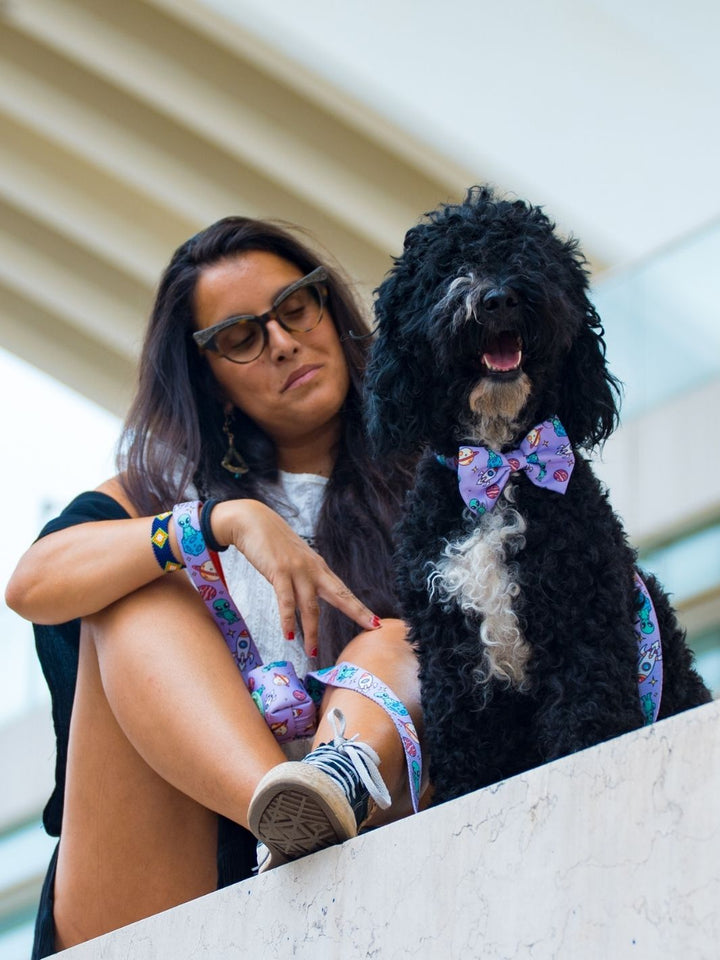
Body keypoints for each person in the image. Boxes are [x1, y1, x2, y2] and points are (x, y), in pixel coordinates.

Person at [5, 217, 424, 956]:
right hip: (160, 878)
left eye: (296, 306)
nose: (284, 341)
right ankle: (286, 810)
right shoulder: (164, 491)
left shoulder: (434, 478)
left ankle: (323, 797)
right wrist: (213, 523)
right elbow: (32, 583)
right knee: (136, 589)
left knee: (399, 637)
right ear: (212, 380)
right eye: (242, 336)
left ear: (328, 307)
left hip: (373, 846)